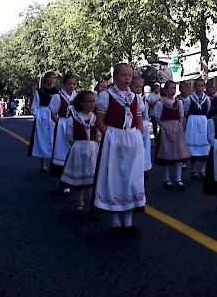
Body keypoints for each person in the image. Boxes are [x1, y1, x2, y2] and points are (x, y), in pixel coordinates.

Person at [93, 63, 146, 237]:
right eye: (124, 75)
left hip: (131, 141)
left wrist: (138, 135)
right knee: (114, 178)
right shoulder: (105, 96)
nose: (128, 78)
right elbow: (99, 120)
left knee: (132, 179)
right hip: (114, 140)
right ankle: (116, 221)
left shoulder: (136, 99)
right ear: (115, 76)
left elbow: (138, 121)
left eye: (130, 75)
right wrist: (109, 135)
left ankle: (129, 222)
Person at [61, 90, 101, 212]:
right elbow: (69, 135)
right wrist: (76, 145)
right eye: (89, 102)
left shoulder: (95, 118)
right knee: (80, 175)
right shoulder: (74, 117)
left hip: (93, 149)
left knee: (93, 175)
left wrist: (96, 142)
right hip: (79, 149)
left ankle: (92, 201)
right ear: (82, 103)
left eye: (93, 101)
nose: (92, 104)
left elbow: (99, 133)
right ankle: (80, 201)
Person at [155, 81, 192, 190]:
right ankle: (167, 179)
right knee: (166, 154)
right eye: (170, 88)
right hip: (166, 129)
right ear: (165, 90)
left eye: (174, 88)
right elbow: (157, 117)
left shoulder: (178, 102)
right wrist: (163, 126)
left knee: (178, 154)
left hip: (177, 129)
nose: (173, 90)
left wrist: (179, 125)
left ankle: (178, 179)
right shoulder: (160, 103)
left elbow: (181, 115)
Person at [28, 71, 59, 174]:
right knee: (42, 139)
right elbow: (34, 106)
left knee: (54, 139)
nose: (52, 80)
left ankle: (54, 162)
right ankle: (43, 163)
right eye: (50, 78)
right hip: (42, 117)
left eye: (54, 78)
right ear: (46, 79)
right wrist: (38, 116)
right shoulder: (40, 91)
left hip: (53, 115)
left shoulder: (56, 92)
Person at [49, 74, 78, 183]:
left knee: (73, 149)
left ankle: (73, 177)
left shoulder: (76, 96)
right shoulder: (58, 97)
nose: (71, 86)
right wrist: (60, 123)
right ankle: (63, 178)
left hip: (74, 125)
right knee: (62, 150)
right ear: (64, 84)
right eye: (69, 84)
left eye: (74, 84)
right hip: (63, 124)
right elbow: (53, 115)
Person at [183, 78, 211, 180]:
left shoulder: (207, 99)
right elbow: (186, 111)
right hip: (192, 123)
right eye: (198, 86)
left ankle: (203, 170)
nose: (200, 88)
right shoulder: (189, 99)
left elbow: (207, 111)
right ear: (195, 87)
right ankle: (194, 170)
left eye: (201, 86)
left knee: (205, 148)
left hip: (203, 123)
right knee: (193, 149)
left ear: (204, 87)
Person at [131, 76, 152, 172]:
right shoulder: (130, 99)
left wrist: (145, 124)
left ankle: (144, 166)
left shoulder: (143, 100)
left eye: (140, 87)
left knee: (145, 147)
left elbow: (146, 114)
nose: (139, 89)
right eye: (136, 87)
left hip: (143, 124)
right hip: (133, 126)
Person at [146, 82, 162, 150]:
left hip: (160, 114)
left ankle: (160, 140)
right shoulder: (150, 95)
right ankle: (156, 140)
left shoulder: (161, 95)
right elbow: (149, 103)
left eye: (158, 87)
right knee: (154, 128)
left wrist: (154, 102)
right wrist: (154, 103)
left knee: (161, 128)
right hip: (153, 114)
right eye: (155, 87)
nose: (156, 88)